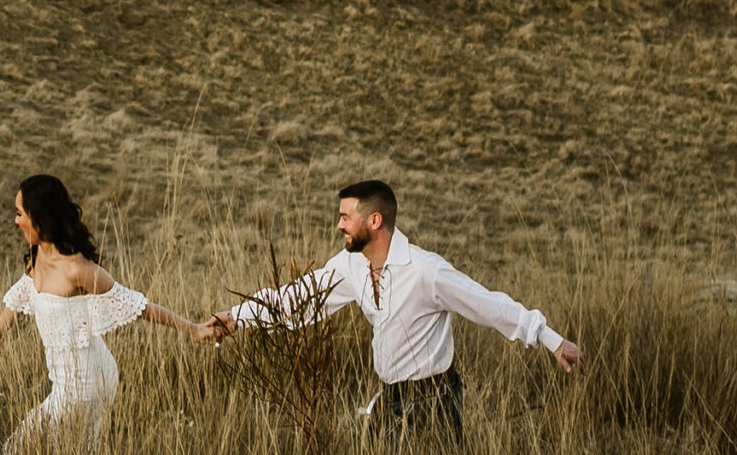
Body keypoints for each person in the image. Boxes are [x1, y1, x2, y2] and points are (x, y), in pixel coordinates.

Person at [213, 179, 582, 441]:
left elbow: (488, 304)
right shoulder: (350, 265)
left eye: (346, 216)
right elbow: (300, 297)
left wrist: (550, 338)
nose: (339, 224)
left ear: (374, 221)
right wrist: (237, 317)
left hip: (433, 402)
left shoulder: (425, 271)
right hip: (389, 398)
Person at [0, 174, 216, 455]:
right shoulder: (37, 254)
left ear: (39, 217)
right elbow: (21, 293)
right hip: (65, 380)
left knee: (24, 454)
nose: (16, 221)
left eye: (20, 213)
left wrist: (192, 329)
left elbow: (137, 306)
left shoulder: (77, 269)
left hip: (88, 380)